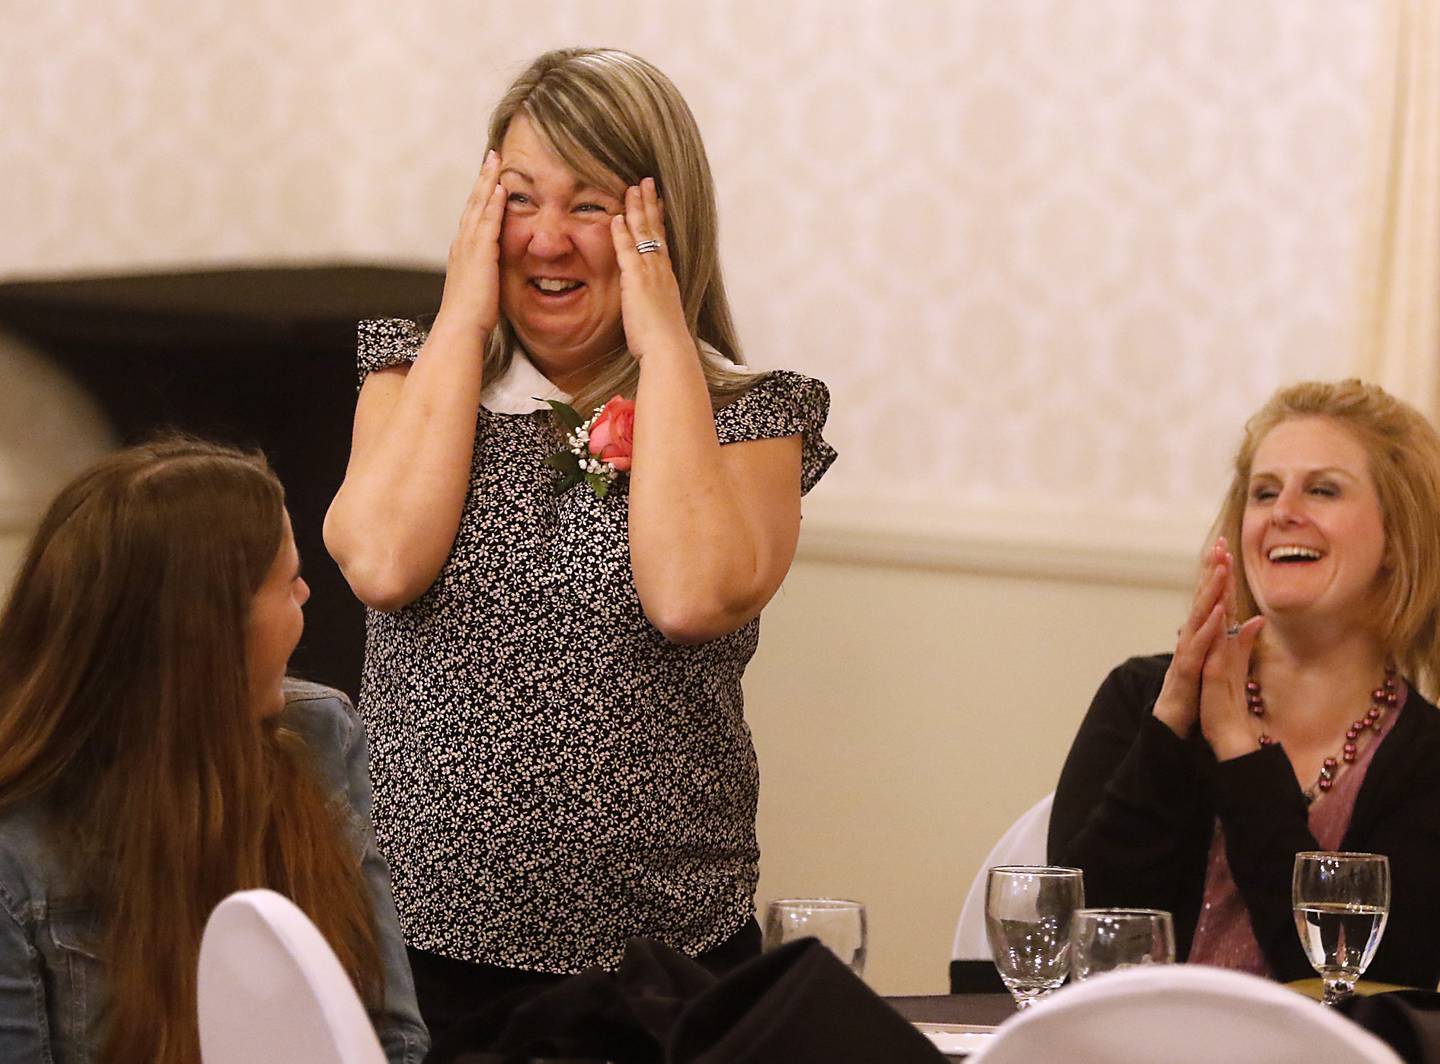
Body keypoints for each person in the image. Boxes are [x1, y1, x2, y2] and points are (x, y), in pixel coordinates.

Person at [324, 47, 835, 1035]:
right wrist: (463, 316)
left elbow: (689, 594)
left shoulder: (755, 414)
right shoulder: (408, 377)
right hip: (416, 957)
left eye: (591, 206)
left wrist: (661, 346)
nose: (547, 241)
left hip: (661, 971)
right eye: (519, 200)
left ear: (659, 223)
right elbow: (384, 562)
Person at [0, 437, 428, 1064]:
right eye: (288, 583)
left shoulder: (319, 733)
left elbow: (389, 1036)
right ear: (211, 634)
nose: (307, 595)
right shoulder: (16, 842)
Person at [1050, 379, 1440, 987]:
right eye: (1264, 492)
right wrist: (1172, 721)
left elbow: (1363, 993)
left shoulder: (1426, 760)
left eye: (1323, 489)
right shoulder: (1141, 698)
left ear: (1396, 538)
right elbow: (1067, 946)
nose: (1283, 512)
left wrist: (1238, 749)